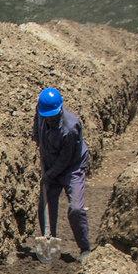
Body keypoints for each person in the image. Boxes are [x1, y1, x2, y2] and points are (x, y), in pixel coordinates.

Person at [32, 87, 92, 261]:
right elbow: (37, 120)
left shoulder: (71, 127)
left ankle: (85, 248)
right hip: (51, 161)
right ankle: (50, 241)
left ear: (59, 109)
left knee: (76, 208)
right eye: (46, 115)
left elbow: (65, 159)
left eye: (52, 115)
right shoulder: (42, 109)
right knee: (46, 205)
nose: (49, 118)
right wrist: (37, 135)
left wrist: (49, 175)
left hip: (72, 166)